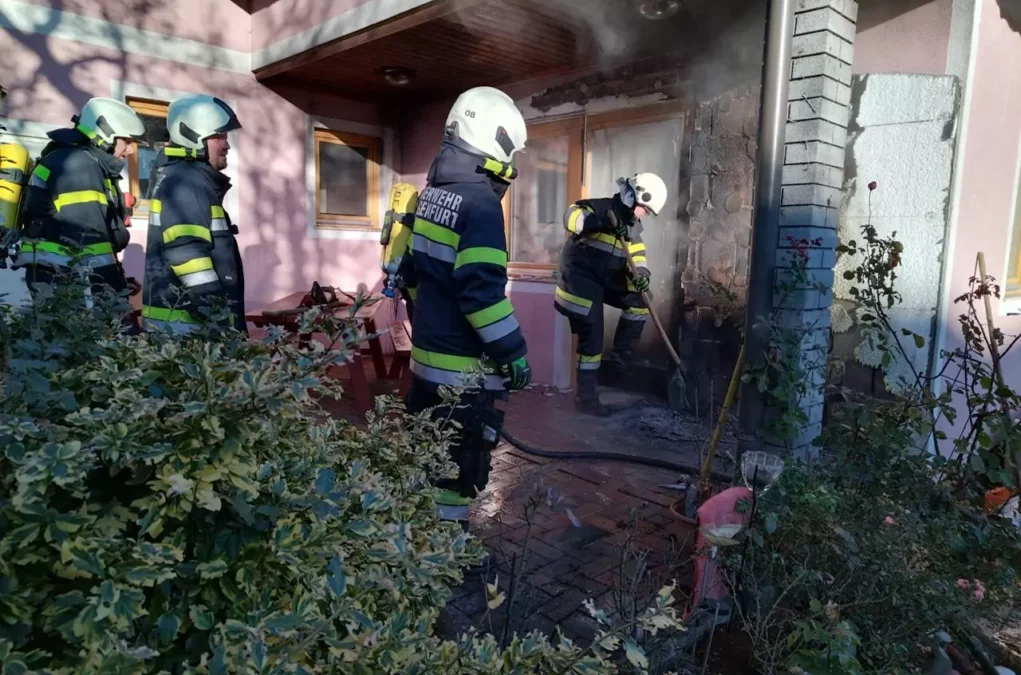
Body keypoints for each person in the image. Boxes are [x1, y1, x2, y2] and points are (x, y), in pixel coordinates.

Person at [400, 86, 531, 528]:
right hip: (462, 371)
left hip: (427, 362)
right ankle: (446, 557)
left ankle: (420, 546)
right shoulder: (480, 206)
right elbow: (482, 295)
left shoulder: (433, 194)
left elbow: (416, 277)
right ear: (493, 142)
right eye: (511, 154)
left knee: (428, 455)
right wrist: (513, 352)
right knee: (458, 465)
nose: (511, 167)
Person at [554, 172, 668, 416]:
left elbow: (636, 253)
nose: (645, 214)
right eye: (645, 209)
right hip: (579, 281)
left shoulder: (632, 226)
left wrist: (641, 274)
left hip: (605, 280)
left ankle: (621, 355)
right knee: (592, 337)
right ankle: (586, 399)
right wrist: (601, 222)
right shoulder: (600, 207)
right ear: (633, 197)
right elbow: (570, 217)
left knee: (641, 299)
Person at [17, 98, 145, 310]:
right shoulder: (78, 165)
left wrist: (120, 282)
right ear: (106, 134)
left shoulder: (85, 162)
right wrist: (115, 293)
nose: (131, 150)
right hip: (67, 282)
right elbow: (90, 240)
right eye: (127, 141)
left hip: (67, 278)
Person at [140, 94, 244, 335]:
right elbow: (187, 254)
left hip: (182, 326)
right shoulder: (186, 182)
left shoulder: (181, 177)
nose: (226, 144)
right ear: (192, 137)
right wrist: (218, 319)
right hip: (189, 331)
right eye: (219, 136)